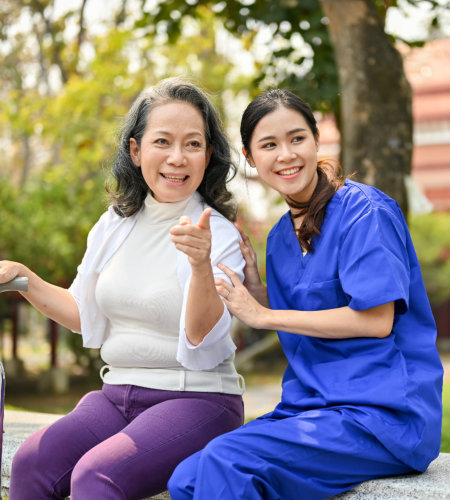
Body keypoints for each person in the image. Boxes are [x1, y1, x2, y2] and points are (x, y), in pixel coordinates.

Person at [168, 89, 444, 500]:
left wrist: (263, 316)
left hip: (384, 414)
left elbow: (375, 319)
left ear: (316, 141)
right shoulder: (280, 238)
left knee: (227, 464)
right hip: (314, 408)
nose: (286, 155)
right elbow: (306, 328)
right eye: (269, 145)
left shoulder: (365, 212)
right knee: (185, 479)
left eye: (297, 138)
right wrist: (259, 294)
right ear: (250, 156)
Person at [0, 78, 246, 499]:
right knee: (32, 461)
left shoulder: (217, 235)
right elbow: (82, 312)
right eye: (162, 141)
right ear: (135, 151)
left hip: (198, 400)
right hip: (116, 396)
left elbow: (204, 332)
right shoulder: (115, 224)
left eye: (192, 144)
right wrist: (26, 278)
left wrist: (201, 265)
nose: (177, 157)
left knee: (97, 475)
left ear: (208, 155)